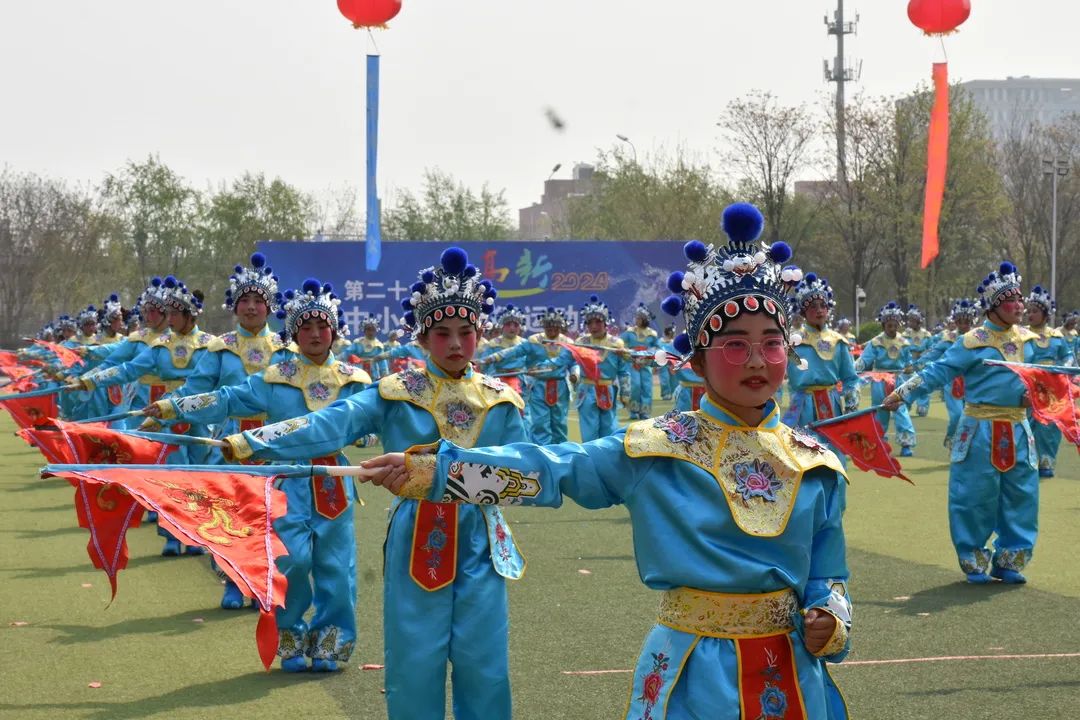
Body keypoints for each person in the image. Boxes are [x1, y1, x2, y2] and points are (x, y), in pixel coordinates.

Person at [364, 204, 852, 720]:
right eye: (734, 344)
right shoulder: (658, 448)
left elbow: (830, 574)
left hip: (794, 676)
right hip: (691, 672)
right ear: (699, 358)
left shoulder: (815, 465)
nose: (756, 360)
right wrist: (439, 469)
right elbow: (551, 467)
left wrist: (830, 617)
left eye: (771, 343)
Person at [219, 247, 529, 719]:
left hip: (481, 541)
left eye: (465, 333)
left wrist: (450, 474)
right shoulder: (395, 392)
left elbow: (525, 475)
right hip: (416, 533)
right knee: (414, 660)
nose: (454, 344)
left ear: (480, 334)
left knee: (484, 661)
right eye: (442, 333)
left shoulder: (501, 401)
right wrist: (251, 441)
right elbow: (328, 424)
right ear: (422, 337)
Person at [146, 278, 372, 670]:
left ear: (334, 331)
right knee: (292, 562)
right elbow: (226, 399)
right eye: (306, 328)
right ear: (295, 333)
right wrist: (173, 407)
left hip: (334, 480)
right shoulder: (276, 376)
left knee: (336, 566)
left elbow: (377, 424)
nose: (315, 334)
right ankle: (291, 638)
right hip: (286, 478)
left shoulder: (356, 381)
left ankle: (332, 643)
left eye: (322, 327)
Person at [885, 262, 1040, 584]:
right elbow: (937, 372)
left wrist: (1036, 396)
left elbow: (1043, 379)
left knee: (1021, 496)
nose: (1020, 306)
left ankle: (1010, 560)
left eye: (1021, 300)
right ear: (996, 306)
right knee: (974, 497)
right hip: (979, 429)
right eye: (1013, 300)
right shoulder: (972, 341)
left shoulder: (1030, 341)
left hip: (1019, 428)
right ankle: (974, 559)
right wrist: (904, 393)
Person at [76, 276, 215, 556]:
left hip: (201, 416)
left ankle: (198, 534)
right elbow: (127, 369)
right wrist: (92, 380)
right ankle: (173, 535)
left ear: (190, 315)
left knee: (201, 476)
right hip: (164, 415)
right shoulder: (159, 345)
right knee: (170, 474)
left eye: (175, 313)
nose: (169, 317)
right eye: (169, 312)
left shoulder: (211, 345)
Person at [783, 273, 860, 461]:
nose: (819, 311)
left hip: (831, 403)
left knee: (834, 457)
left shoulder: (838, 342)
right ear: (802, 311)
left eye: (823, 306)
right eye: (812, 306)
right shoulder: (792, 341)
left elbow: (850, 378)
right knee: (803, 457)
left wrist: (851, 404)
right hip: (802, 405)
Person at [478, 306, 578, 443]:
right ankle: (539, 455)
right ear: (544, 327)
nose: (552, 331)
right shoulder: (534, 341)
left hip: (559, 386)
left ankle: (560, 455)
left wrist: (575, 374)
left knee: (559, 423)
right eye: (549, 328)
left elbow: (573, 363)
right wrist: (492, 358)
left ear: (561, 328)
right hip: (538, 386)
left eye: (556, 328)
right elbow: (514, 352)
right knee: (540, 423)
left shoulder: (569, 344)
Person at [1024, 285, 1075, 478]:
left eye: (1035, 311)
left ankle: (1046, 461)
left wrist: (1063, 368)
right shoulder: (1021, 335)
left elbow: (1068, 356)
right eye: (1029, 311)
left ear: (1045, 314)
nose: (1030, 315)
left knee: (1050, 425)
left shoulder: (1057, 336)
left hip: (1053, 387)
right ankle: (1029, 460)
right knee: (1029, 423)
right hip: (1030, 385)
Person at [856, 303, 916, 456]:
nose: (892, 328)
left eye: (895, 325)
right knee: (880, 411)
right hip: (880, 380)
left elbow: (908, 362)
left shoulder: (904, 343)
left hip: (899, 380)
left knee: (901, 410)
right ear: (883, 325)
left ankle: (906, 445)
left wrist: (910, 368)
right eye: (889, 325)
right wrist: (852, 371)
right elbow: (864, 361)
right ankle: (879, 444)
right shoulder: (876, 342)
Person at [918, 299, 977, 447]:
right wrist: (915, 364)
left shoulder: (979, 338)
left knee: (973, 417)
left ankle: (966, 445)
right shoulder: (948, 338)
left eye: (967, 322)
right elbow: (933, 353)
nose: (964, 326)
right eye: (960, 322)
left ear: (972, 322)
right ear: (956, 322)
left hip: (973, 382)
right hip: (952, 383)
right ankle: (951, 438)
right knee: (957, 415)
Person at [576, 295, 631, 441]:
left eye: (598, 322)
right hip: (586, 391)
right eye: (590, 322)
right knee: (589, 432)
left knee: (610, 431)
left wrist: (625, 393)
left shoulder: (616, 344)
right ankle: (590, 461)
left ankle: (606, 462)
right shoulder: (581, 342)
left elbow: (623, 371)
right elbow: (568, 361)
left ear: (605, 322)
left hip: (608, 391)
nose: (593, 326)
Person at [620, 303, 661, 420]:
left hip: (646, 364)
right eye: (636, 317)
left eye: (639, 318)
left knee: (647, 387)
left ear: (644, 320)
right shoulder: (629, 332)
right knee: (635, 385)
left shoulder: (652, 334)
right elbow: (620, 344)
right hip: (632, 363)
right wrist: (630, 353)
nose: (636, 320)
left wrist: (647, 355)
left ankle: (645, 411)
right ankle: (633, 410)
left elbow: (658, 348)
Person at [902, 304, 934, 417]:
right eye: (909, 320)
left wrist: (924, 355)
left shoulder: (926, 334)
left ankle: (923, 405)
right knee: (907, 383)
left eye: (913, 321)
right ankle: (906, 403)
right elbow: (902, 347)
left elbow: (932, 348)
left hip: (922, 362)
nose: (910, 323)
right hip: (909, 361)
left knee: (922, 382)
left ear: (918, 321)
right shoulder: (906, 334)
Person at [344, 313, 390, 381]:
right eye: (368, 329)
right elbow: (346, 354)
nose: (370, 332)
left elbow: (382, 361)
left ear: (376, 331)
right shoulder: (358, 342)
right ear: (364, 330)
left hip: (373, 372)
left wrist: (384, 374)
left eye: (373, 330)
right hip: (358, 371)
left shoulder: (378, 345)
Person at [657, 325, 677, 400]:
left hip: (673, 363)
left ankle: (674, 393)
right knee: (664, 379)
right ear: (669, 333)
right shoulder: (659, 342)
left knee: (674, 380)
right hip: (662, 363)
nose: (674, 334)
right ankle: (665, 394)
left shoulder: (674, 342)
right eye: (673, 333)